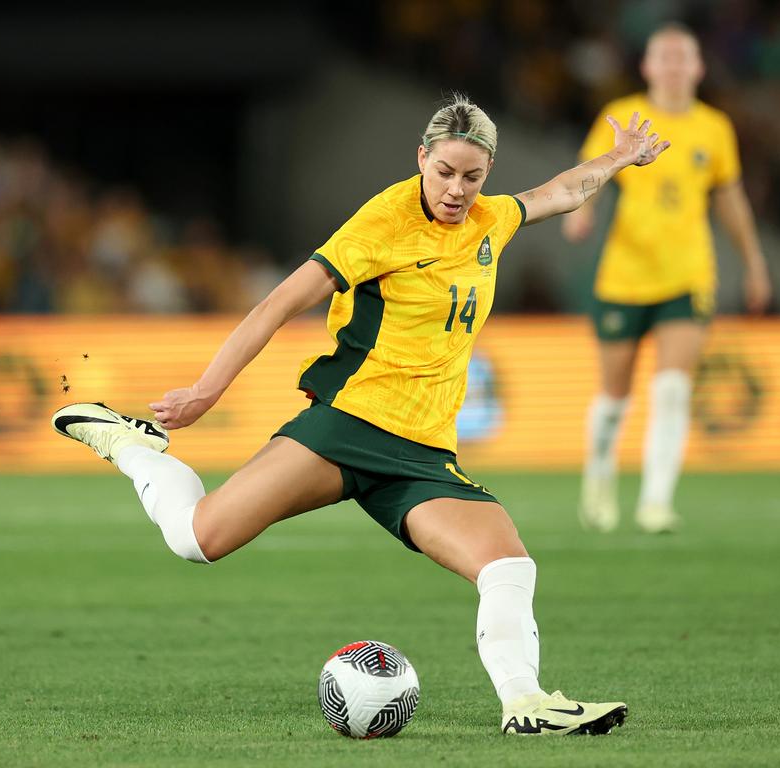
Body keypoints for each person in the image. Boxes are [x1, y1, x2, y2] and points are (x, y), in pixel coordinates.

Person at [53, 95, 668, 735]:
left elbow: (562, 191)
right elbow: (277, 303)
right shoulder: (383, 223)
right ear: (422, 158)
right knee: (195, 539)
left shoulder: (491, 220)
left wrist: (619, 159)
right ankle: (133, 449)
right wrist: (208, 390)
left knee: (508, 564)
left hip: (424, 454)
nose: (457, 190)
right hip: (348, 426)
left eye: (473, 177)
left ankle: (527, 704)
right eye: (446, 173)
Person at [562, 23, 771, 534]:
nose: (675, 65)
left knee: (674, 389)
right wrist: (579, 211)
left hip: (688, 273)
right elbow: (593, 168)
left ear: (699, 68)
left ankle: (656, 501)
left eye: (684, 57)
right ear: (648, 66)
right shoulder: (622, 117)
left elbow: (729, 198)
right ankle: (600, 478)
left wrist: (755, 263)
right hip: (626, 273)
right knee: (615, 394)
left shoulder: (714, 128)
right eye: (665, 56)